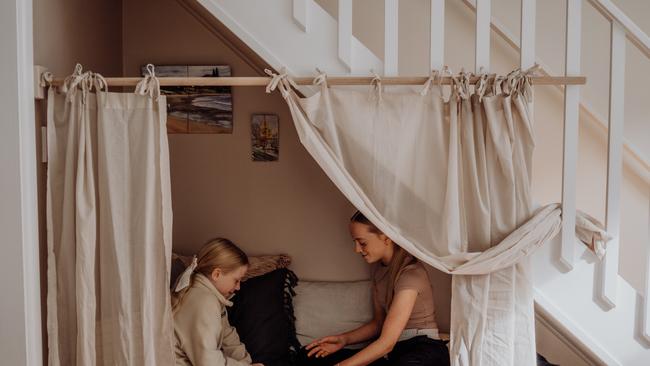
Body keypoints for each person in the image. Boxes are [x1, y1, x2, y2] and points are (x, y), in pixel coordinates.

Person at [303, 211, 450, 366]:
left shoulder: (412, 274)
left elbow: (387, 342)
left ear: (386, 237)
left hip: (422, 349)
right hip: (394, 351)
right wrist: (343, 340)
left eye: (362, 242)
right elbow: (379, 324)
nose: (357, 249)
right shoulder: (379, 270)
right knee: (308, 355)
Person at [172, 238, 264, 366]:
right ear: (217, 274)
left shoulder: (210, 295)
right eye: (236, 280)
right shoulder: (204, 302)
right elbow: (208, 362)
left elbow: (228, 336)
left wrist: (246, 362)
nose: (238, 287)